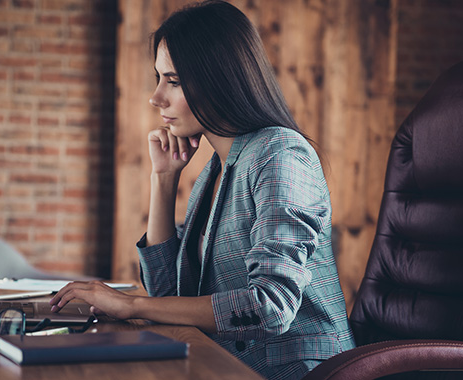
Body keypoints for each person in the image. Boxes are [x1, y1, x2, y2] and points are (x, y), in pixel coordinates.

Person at [50, 1, 355, 379]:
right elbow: (167, 297)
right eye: (159, 78)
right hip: (221, 365)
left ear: (220, 79)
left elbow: (271, 307)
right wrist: (163, 180)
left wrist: (131, 306)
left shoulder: (280, 156)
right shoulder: (218, 168)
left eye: (173, 81)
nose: (156, 97)